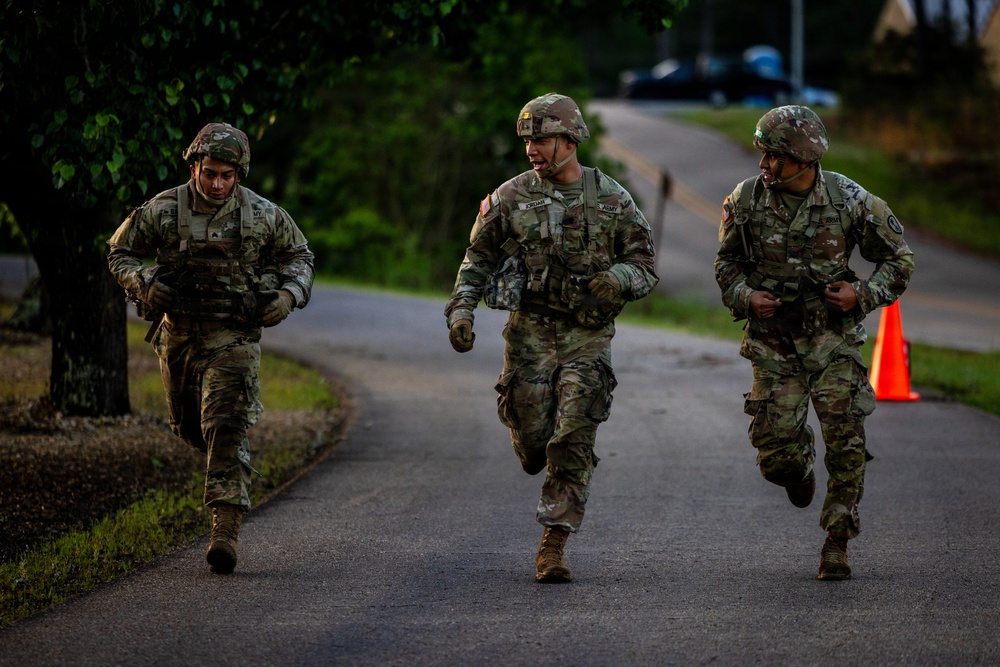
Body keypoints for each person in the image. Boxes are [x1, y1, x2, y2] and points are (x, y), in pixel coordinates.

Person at [445, 93, 658, 583]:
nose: (531, 150)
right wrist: (461, 311)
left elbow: (645, 266)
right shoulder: (509, 197)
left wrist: (619, 279)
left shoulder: (611, 198)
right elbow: (476, 258)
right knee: (535, 437)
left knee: (574, 434)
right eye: (527, 141)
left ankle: (553, 545)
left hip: (587, 333)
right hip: (530, 332)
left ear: (569, 139)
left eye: (540, 140)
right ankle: (530, 441)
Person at [715, 105, 914, 581]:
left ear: (803, 159)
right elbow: (726, 266)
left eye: (774, 156)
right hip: (773, 343)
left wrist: (861, 293)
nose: (763, 164)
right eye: (762, 154)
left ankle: (837, 541)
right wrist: (745, 296)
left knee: (846, 441)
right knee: (775, 453)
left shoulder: (851, 201)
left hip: (834, 341)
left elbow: (899, 261)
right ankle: (796, 469)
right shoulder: (744, 200)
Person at [108, 122, 314, 575]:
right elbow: (119, 253)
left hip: (234, 337)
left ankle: (224, 532)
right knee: (190, 430)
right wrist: (142, 285)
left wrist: (286, 297)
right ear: (194, 168)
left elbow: (300, 257)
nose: (218, 184)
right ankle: (218, 470)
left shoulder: (263, 215)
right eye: (210, 174)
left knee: (226, 424)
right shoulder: (163, 209)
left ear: (239, 173)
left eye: (227, 175)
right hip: (178, 336)